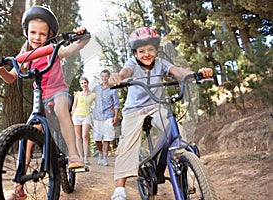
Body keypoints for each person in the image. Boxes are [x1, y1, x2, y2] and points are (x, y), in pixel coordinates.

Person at [0, 6, 90, 200]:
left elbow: (75, 47)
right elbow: (10, 78)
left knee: (61, 108)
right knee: (27, 137)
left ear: (50, 35)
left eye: (42, 34)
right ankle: (19, 187)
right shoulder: (25, 56)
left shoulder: (54, 50)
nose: (37, 37)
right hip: (40, 97)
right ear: (26, 32)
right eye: (33, 32)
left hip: (58, 92)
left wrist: (82, 37)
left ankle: (74, 155)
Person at [109, 27, 213, 200]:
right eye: (141, 51)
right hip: (134, 110)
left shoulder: (161, 63)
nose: (147, 54)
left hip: (156, 106)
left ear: (156, 50)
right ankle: (119, 189)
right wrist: (118, 77)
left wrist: (197, 75)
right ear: (135, 53)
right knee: (127, 143)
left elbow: (178, 72)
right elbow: (124, 72)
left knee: (177, 131)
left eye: (150, 49)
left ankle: (188, 174)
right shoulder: (132, 64)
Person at [92, 69, 120, 166]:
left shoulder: (113, 89)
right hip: (97, 115)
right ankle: (100, 153)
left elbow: (116, 104)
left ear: (108, 77)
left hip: (108, 115)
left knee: (107, 138)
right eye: (102, 76)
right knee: (97, 138)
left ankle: (104, 158)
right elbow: (89, 97)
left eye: (106, 76)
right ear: (101, 77)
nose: (104, 78)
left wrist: (116, 116)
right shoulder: (96, 88)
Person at [71, 77, 96, 165]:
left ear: (87, 83)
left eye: (85, 83)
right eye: (82, 83)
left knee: (85, 136)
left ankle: (86, 157)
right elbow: (74, 105)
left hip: (86, 116)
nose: (84, 85)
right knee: (78, 137)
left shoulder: (93, 95)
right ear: (80, 85)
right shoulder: (78, 94)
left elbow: (98, 104)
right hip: (76, 116)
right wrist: (71, 114)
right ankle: (81, 157)